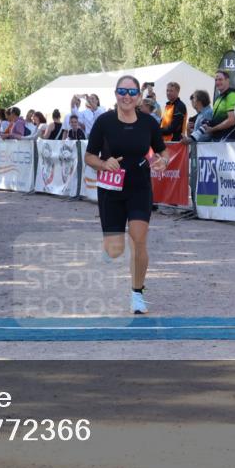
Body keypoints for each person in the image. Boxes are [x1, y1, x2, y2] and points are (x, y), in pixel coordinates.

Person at [83, 75, 168, 314]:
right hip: (111, 190)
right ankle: (110, 247)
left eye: (131, 92)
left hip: (139, 187)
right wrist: (103, 163)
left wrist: (163, 161)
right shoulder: (104, 122)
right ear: (116, 94)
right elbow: (89, 156)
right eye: (122, 91)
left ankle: (137, 294)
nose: (127, 96)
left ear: (139, 97)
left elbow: (163, 151)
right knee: (115, 249)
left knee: (139, 239)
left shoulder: (148, 123)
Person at [199, 70, 235, 141]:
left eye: (220, 79)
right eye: (216, 80)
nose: (217, 82)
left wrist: (213, 129)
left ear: (227, 80)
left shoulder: (232, 95)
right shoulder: (219, 97)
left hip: (228, 140)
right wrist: (209, 123)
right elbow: (218, 119)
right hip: (218, 139)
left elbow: (232, 120)